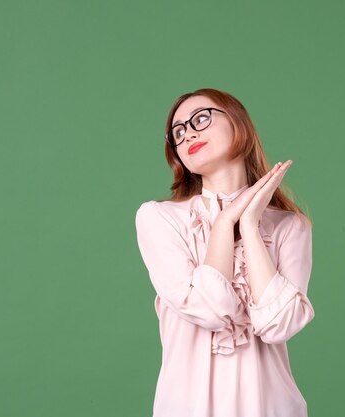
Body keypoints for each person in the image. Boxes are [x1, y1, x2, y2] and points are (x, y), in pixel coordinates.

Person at [134, 88, 316, 417]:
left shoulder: (291, 227)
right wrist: (223, 225)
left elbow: (279, 324)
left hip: (273, 407)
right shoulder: (159, 219)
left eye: (200, 119)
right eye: (178, 132)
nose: (188, 133)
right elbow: (211, 310)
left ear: (238, 124)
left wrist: (248, 225)